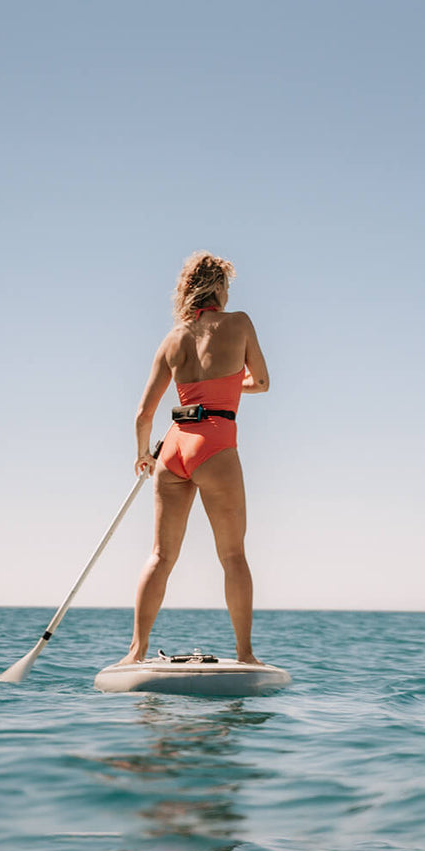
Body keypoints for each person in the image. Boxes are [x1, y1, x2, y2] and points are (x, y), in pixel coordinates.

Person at [118, 251, 270, 665]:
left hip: (172, 447)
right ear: (219, 288)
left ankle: (135, 652)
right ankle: (246, 654)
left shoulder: (173, 338)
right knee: (233, 556)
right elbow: (262, 381)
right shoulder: (238, 323)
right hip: (215, 443)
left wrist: (142, 455)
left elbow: (142, 414)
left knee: (160, 556)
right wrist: (231, 386)